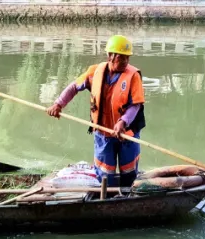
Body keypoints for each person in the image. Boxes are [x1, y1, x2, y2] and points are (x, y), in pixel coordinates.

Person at [47, 35, 146, 189]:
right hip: (103, 133)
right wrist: (58, 104)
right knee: (105, 173)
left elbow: (136, 105)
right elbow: (74, 87)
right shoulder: (95, 72)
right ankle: (107, 198)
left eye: (127, 58)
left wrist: (123, 122)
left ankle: (128, 195)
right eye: (121, 58)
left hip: (127, 134)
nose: (125, 61)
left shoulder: (133, 76)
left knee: (129, 171)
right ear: (110, 56)